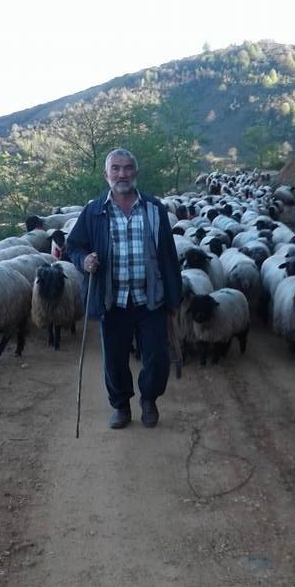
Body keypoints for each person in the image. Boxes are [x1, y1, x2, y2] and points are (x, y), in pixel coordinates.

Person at [65, 148, 182, 429]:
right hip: (112, 300)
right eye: (115, 168)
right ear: (106, 175)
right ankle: (121, 406)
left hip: (149, 297)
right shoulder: (94, 211)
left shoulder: (154, 209)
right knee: (115, 361)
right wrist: (84, 260)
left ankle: (149, 399)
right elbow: (74, 246)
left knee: (156, 358)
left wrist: (174, 296)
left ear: (136, 173)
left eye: (128, 168)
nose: (122, 174)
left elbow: (168, 255)